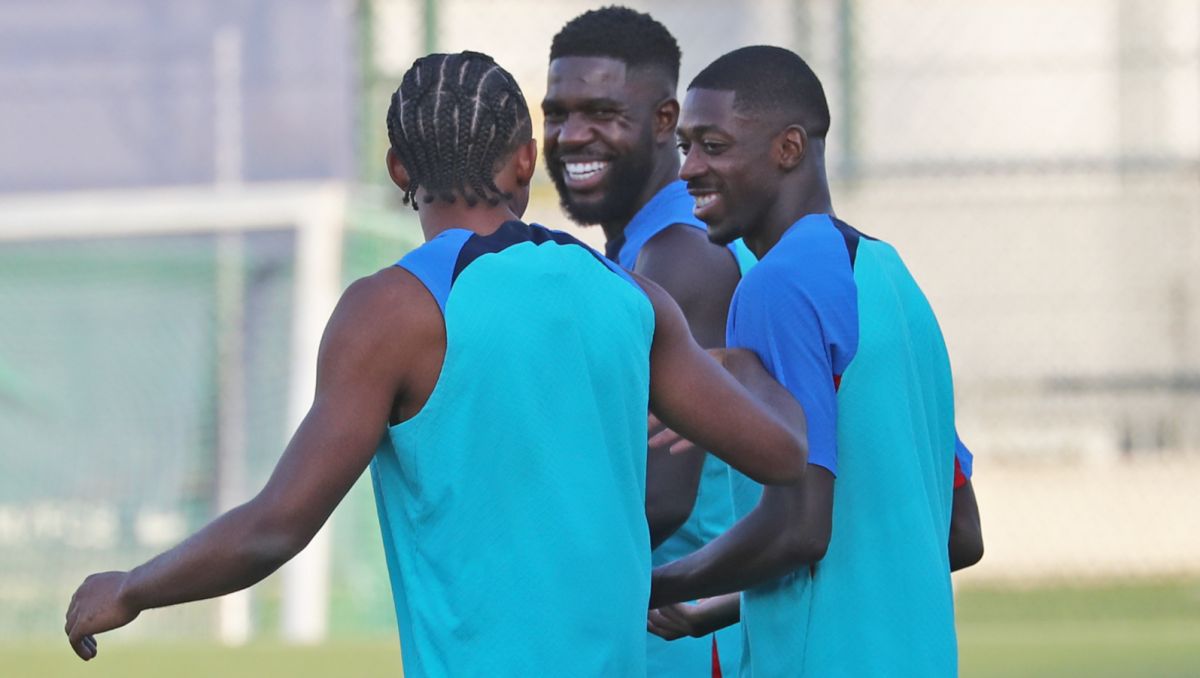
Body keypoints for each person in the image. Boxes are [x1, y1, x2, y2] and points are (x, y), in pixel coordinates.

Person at [63, 51, 810, 676]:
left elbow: (274, 529)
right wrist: (742, 366)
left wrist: (132, 587)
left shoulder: (392, 312)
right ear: (525, 160)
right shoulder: (633, 299)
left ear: (397, 169)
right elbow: (781, 454)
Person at [646, 46, 984, 676]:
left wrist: (654, 583)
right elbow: (958, 533)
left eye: (713, 146)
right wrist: (710, 612)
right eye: (685, 146)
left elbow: (800, 529)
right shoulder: (892, 277)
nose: (688, 168)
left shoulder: (778, 285)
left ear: (789, 148)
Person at [543, 8, 753, 675]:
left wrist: (515, 573)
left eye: (602, 112)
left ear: (666, 121)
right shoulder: (650, 248)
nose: (573, 136)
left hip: (685, 645)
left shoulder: (678, 257)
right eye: (557, 113)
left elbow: (659, 495)